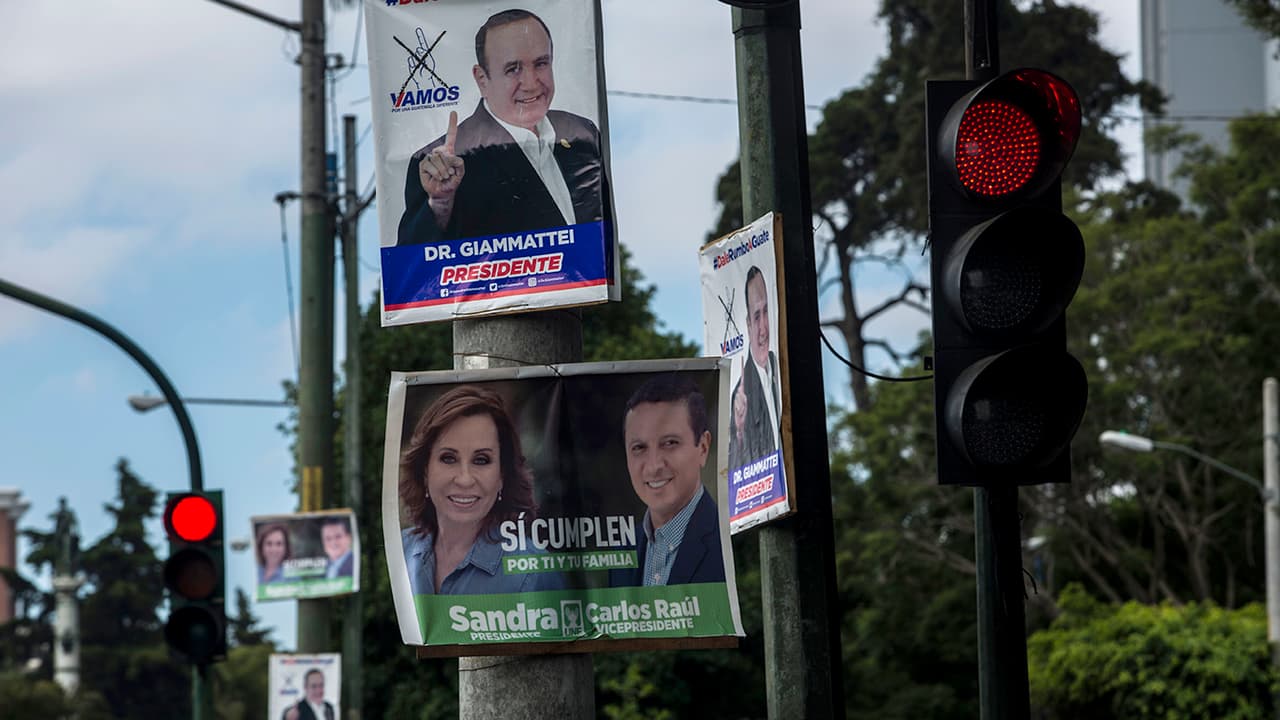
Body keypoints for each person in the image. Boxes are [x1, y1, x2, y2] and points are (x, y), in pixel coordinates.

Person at [396, 8, 607, 246]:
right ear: (482, 79)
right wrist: (440, 203)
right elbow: (412, 262)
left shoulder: (581, 133)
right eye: (513, 69)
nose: (531, 83)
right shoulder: (443, 162)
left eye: (541, 63)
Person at [399, 385, 564, 595]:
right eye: (448, 458)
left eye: (481, 460)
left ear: (502, 475)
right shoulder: (401, 550)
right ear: (424, 470)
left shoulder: (534, 571)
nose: (465, 479)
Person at [610, 374, 725, 587]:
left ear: (703, 447)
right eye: (639, 447)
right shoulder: (621, 553)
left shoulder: (728, 540)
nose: (654, 466)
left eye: (670, 443)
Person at [729, 265, 781, 470]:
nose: (763, 329)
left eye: (766, 311)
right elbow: (734, 467)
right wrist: (739, 433)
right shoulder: (740, 398)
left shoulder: (779, 367)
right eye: (757, 316)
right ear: (748, 324)